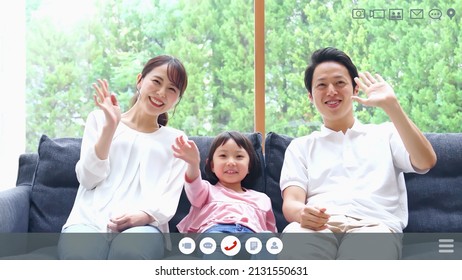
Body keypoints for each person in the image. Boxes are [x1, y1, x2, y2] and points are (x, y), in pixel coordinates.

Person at [279, 47, 437, 260]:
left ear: (355, 89)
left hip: (373, 227)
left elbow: (426, 161)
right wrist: (301, 213)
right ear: (311, 96)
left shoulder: (386, 134)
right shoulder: (300, 146)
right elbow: (291, 201)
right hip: (316, 227)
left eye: (340, 82)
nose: (331, 91)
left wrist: (392, 107)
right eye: (322, 85)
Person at [57, 55, 189, 260]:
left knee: (130, 253)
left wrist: (144, 216)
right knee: (81, 255)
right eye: (156, 81)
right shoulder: (99, 120)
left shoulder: (177, 140)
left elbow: (168, 198)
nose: (162, 93)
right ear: (140, 80)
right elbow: (88, 180)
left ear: (177, 99)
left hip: (143, 227)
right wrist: (110, 127)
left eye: (172, 89)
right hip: (87, 221)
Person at [172, 131, 277, 259]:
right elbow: (193, 185)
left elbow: (271, 230)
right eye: (223, 156)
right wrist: (193, 164)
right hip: (216, 234)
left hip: (250, 238)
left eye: (239, 157)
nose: (231, 162)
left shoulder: (262, 199)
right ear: (212, 165)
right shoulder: (206, 190)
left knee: (267, 238)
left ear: (249, 166)